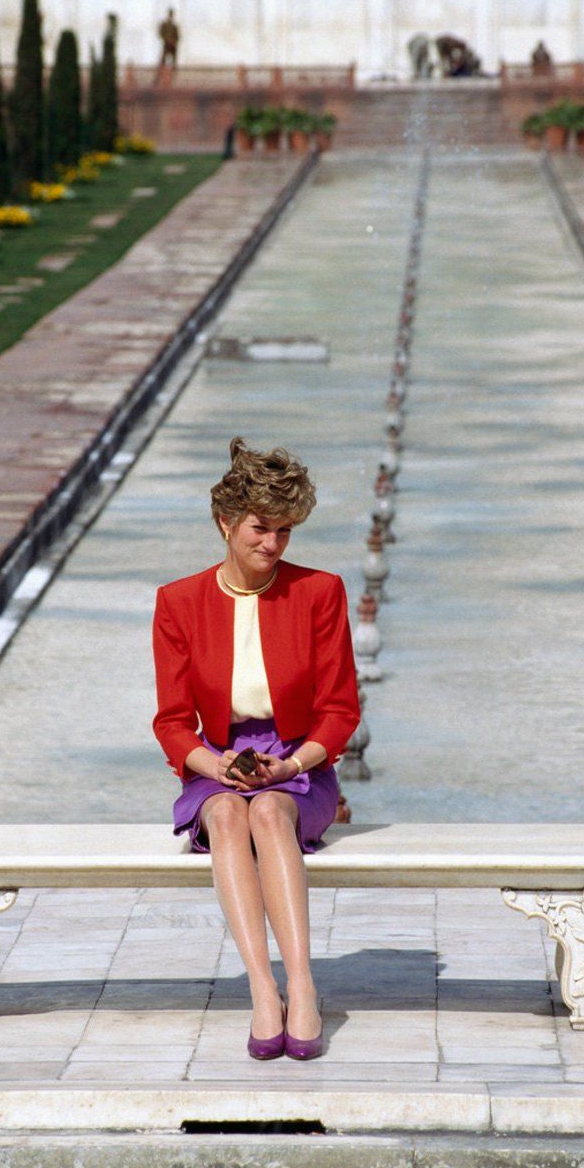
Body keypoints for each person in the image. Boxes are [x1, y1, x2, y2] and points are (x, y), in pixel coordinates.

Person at [152, 437, 360, 1060]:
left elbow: (341, 711)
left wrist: (292, 763)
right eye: (259, 528)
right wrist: (214, 765)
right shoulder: (178, 602)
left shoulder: (321, 592)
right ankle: (262, 989)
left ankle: (303, 986)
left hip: (301, 764)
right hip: (216, 762)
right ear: (225, 522)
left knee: (268, 811)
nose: (272, 544)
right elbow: (170, 723)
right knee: (224, 813)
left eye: (285, 531)